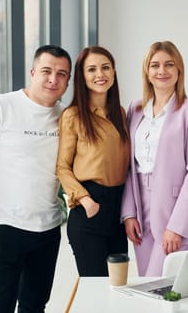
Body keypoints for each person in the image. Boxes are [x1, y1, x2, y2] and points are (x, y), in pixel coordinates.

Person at [0, 44, 71, 312]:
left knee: (35, 306)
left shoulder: (66, 117)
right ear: (33, 72)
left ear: (68, 81)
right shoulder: (1, 106)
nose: (53, 79)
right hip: (2, 227)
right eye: (46, 71)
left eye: (62, 74)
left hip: (47, 228)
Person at [121, 41, 188, 276]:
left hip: (173, 211)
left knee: (158, 287)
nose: (162, 71)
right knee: (145, 284)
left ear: (179, 70)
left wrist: (177, 226)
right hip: (141, 212)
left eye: (169, 65)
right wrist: (129, 213)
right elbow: (129, 167)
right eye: (155, 65)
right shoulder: (135, 108)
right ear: (147, 72)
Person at [56, 46, 130, 276]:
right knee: (94, 288)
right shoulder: (73, 116)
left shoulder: (120, 113)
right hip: (90, 208)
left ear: (114, 73)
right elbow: (62, 167)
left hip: (117, 210)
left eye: (105, 67)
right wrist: (86, 201)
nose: (100, 74)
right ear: (82, 76)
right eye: (92, 69)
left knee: (118, 287)